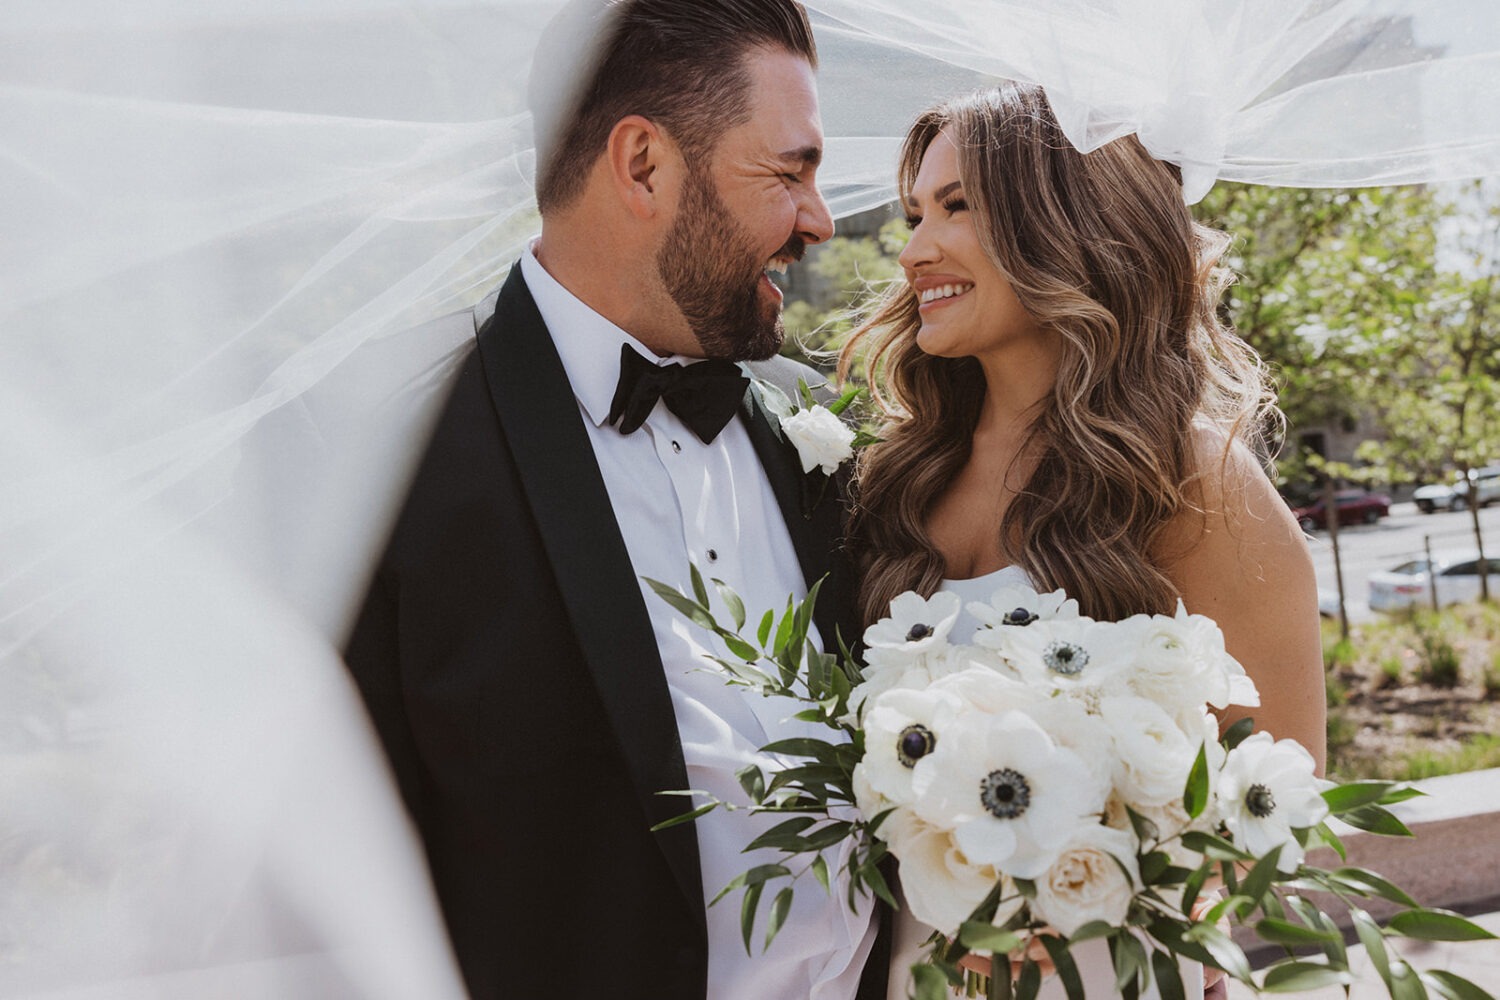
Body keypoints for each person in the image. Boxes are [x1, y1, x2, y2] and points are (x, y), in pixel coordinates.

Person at [343, 2, 887, 998]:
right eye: (789, 170)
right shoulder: (386, 465)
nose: (820, 218)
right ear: (642, 165)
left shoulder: (817, 430)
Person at [838, 84, 1327, 998]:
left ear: (1062, 223)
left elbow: (1280, 797)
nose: (912, 253)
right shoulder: (897, 478)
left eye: (956, 208)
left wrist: (1091, 913)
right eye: (913, 214)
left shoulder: (1190, 479)